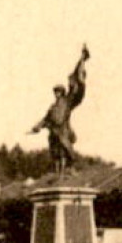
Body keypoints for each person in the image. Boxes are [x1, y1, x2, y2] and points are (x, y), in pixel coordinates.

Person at [30, 45, 91, 174]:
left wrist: (81, 61)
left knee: (64, 151)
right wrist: (37, 127)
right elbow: (45, 119)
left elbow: (76, 92)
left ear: (62, 92)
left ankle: (65, 171)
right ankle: (58, 172)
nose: (56, 94)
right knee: (55, 153)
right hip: (54, 133)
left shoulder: (67, 101)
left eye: (59, 92)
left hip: (63, 131)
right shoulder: (52, 108)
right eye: (55, 92)